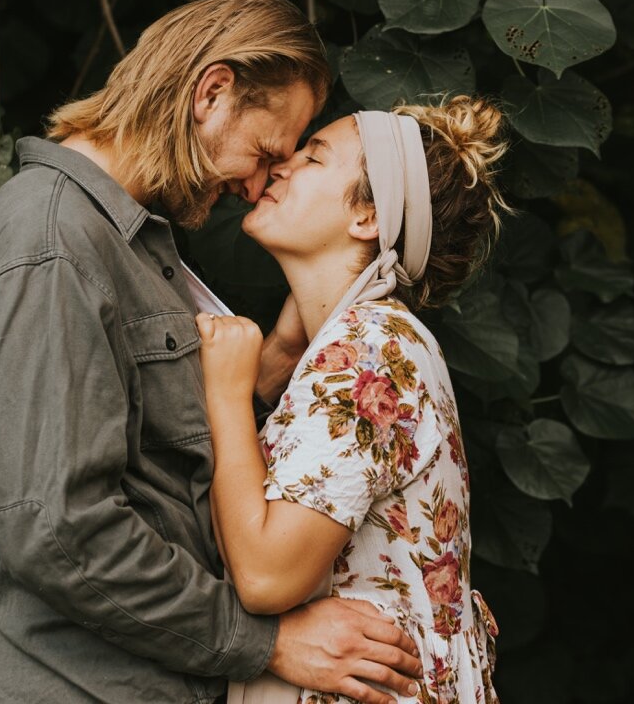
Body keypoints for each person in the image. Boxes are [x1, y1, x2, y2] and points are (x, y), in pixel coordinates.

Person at [0, 0, 425, 704]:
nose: (258, 185)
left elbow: (163, 460)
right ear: (212, 93)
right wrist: (269, 643)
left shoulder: (134, 243)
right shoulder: (52, 245)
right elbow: (58, 529)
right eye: (266, 153)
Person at [195, 96, 509, 704]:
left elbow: (265, 576)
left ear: (367, 216)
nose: (282, 163)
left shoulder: (371, 352)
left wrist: (227, 395)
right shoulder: (371, 342)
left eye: (314, 157)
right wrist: (275, 362)